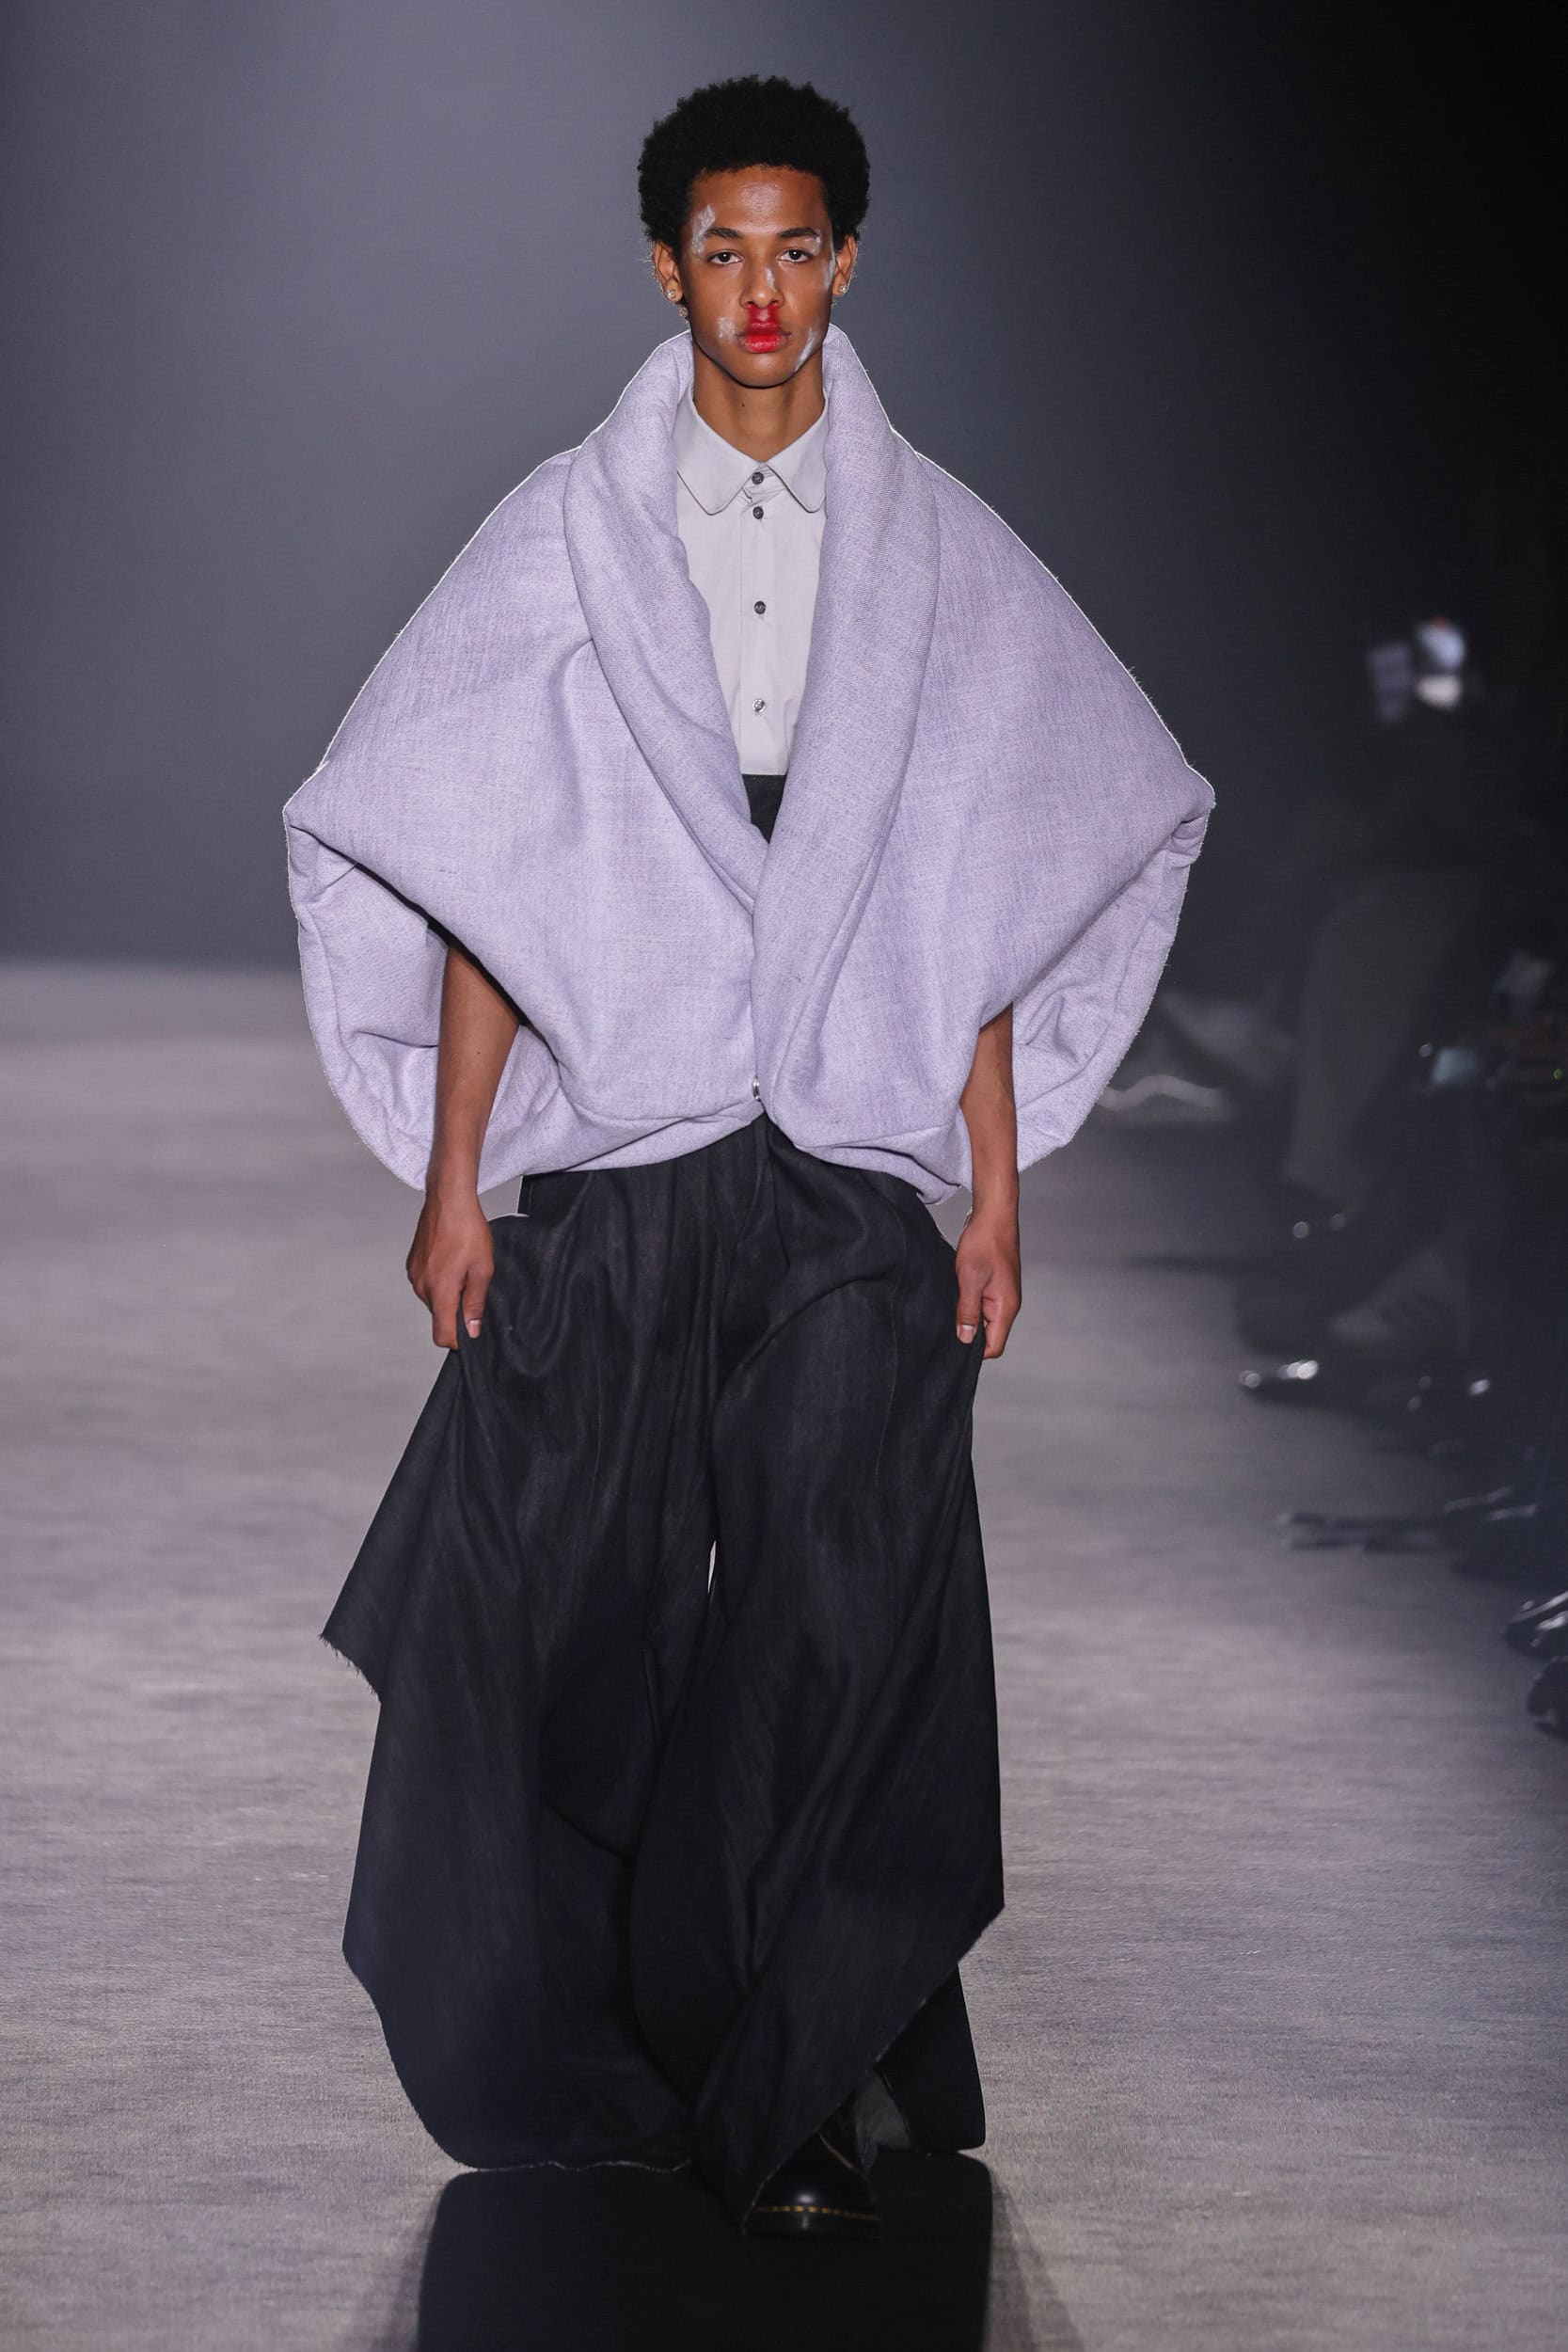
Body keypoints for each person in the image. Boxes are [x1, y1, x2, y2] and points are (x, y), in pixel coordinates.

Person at [284, 74, 1212, 2239]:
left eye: (798, 247)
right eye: (725, 247)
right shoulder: (562, 540)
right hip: (628, 1144)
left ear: (847, 262)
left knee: (835, 1600)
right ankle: (634, 2039)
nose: (763, 288)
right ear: (668, 266)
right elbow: (487, 877)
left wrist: (995, 1186)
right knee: (570, 1615)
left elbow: (976, 893)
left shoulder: (938, 554)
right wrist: (454, 1177)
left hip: (855, 1162)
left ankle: (795, 2071)